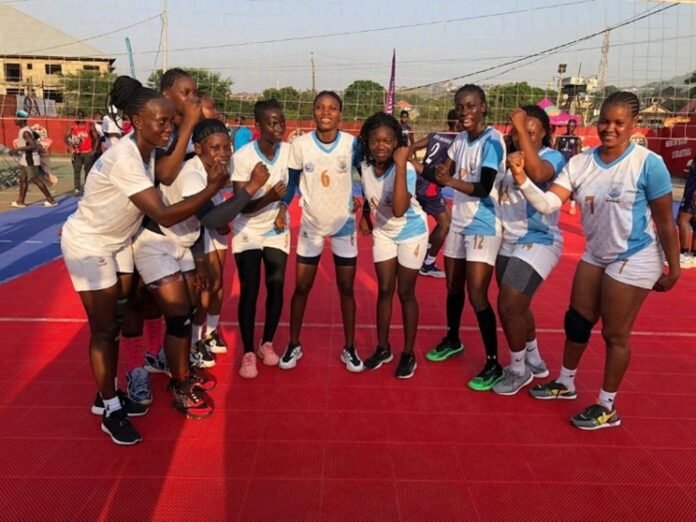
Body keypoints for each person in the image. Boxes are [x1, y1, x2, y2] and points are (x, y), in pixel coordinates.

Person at [59, 76, 229, 445]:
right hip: (90, 244)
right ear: (137, 121)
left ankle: (127, 375)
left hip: (121, 241)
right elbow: (164, 214)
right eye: (162, 121)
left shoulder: (147, 150)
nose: (168, 127)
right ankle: (109, 406)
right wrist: (214, 188)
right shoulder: (125, 158)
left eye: (170, 121)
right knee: (105, 329)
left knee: (127, 313)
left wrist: (186, 124)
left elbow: (166, 173)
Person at [511, 91, 679, 430]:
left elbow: (664, 220)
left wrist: (673, 268)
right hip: (597, 253)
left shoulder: (648, 164)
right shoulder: (580, 163)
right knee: (577, 321)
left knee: (615, 334)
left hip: (635, 255)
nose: (609, 128)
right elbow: (548, 204)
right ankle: (566, 382)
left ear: (635, 124)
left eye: (619, 123)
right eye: (604, 121)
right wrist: (521, 178)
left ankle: (606, 406)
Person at [279, 90, 363, 372]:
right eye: (320, 107)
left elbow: (365, 176)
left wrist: (364, 204)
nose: (326, 112)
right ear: (313, 111)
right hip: (311, 225)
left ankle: (350, 347)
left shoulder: (352, 144)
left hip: (344, 224)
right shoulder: (300, 144)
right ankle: (293, 343)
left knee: (346, 288)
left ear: (340, 114)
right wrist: (282, 207)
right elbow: (291, 183)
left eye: (332, 108)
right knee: (302, 287)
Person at [429, 84, 506, 392]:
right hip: (460, 222)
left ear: (483, 107)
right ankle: (452, 338)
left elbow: (484, 187)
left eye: (471, 106)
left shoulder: (493, 140)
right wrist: (414, 163)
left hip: (484, 224)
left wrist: (448, 180)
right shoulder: (460, 140)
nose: (464, 112)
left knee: (477, 294)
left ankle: (493, 362)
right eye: (460, 107)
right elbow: (442, 173)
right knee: (452, 286)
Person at [492, 106, 566, 396]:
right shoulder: (506, 160)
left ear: (545, 133)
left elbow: (537, 173)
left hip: (539, 240)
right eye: (518, 132)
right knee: (518, 305)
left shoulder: (552, 157)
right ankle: (534, 358)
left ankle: (518, 369)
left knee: (509, 305)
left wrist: (521, 127)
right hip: (508, 241)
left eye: (531, 133)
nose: (522, 137)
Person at [358, 112, 428, 378]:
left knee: (405, 292)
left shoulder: (405, 169)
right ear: (367, 142)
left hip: (411, 232)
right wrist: (365, 214)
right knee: (385, 289)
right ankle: (383, 347)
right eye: (375, 140)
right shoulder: (365, 166)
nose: (381, 146)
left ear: (397, 143)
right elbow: (369, 193)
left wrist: (400, 165)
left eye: (387, 141)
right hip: (383, 232)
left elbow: (399, 209)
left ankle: (408, 353)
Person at [231, 99, 290, 378]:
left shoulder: (288, 152)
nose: (279, 127)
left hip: (276, 229)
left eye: (281, 121)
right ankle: (248, 352)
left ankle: (267, 343)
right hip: (248, 229)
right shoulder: (243, 157)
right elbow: (240, 206)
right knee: (250, 289)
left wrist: (282, 207)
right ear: (258, 126)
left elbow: (293, 184)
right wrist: (269, 197)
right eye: (272, 122)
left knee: (276, 286)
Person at [408, 109, 457, 278]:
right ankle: (427, 264)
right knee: (445, 225)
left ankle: (423, 254)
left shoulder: (436, 134)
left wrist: (412, 164)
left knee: (446, 221)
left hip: (420, 178)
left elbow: (412, 146)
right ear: (457, 123)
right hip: (430, 184)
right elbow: (448, 172)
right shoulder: (458, 141)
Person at [10, 110, 57, 208]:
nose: (14, 120)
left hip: (30, 159)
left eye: (16, 118)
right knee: (23, 179)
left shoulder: (26, 132)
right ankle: (20, 202)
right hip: (24, 158)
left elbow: (33, 146)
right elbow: (37, 136)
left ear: (21, 119)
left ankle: (51, 200)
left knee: (35, 179)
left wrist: (17, 149)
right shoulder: (26, 130)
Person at [65, 109, 100, 194]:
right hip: (77, 152)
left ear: (82, 117)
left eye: (78, 116)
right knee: (77, 170)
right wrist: (70, 144)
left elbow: (96, 138)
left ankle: (87, 187)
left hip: (87, 152)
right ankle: (77, 188)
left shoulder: (89, 125)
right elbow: (66, 137)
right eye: (75, 116)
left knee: (87, 171)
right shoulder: (72, 126)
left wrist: (94, 150)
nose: (76, 117)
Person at [555, 120, 582, 215]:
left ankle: (572, 205)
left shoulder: (577, 139)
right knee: (557, 183)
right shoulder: (560, 137)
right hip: (560, 163)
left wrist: (576, 165)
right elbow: (555, 150)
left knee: (571, 185)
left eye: (572, 126)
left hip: (570, 164)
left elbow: (578, 153)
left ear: (575, 127)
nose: (570, 128)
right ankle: (556, 204)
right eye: (569, 126)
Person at [676, 157, 696, 268]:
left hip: (693, 191)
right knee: (694, 220)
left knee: (682, 219)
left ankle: (684, 255)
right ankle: (694, 255)